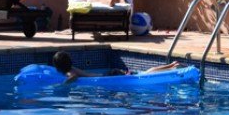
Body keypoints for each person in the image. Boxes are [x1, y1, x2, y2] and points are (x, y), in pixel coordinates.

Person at [51, 50, 182, 84]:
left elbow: (73, 77)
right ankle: (171, 65)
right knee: (144, 73)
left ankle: (172, 67)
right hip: (110, 73)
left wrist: (63, 84)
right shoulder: (72, 67)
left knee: (144, 75)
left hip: (107, 76)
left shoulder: (69, 72)